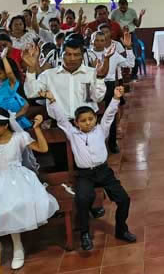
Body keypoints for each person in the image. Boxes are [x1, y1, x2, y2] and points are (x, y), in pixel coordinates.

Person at [45, 86, 136, 250]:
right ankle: (85, 234)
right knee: (82, 199)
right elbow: (61, 119)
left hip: (104, 172)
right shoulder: (73, 134)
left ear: (95, 119)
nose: (88, 123)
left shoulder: (101, 130)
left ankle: (122, 229)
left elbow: (108, 115)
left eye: (90, 119)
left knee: (124, 199)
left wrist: (116, 98)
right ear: (76, 123)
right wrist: (52, 101)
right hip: (85, 175)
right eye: (83, 121)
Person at [0, 108, 59, 269]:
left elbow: (43, 148)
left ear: (5, 125)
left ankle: (17, 247)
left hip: (16, 179)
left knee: (12, 207)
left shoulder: (19, 137)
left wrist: (37, 129)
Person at [23, 35, 108, 120]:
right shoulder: (49, 75)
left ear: (82, 56)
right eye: (68, 54)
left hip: (87, 123)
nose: (72, 58)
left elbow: (98, 98)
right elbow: (31, 93)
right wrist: (31, 68)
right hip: (59, 123)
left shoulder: (91, 73)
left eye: (76, 55)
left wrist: (100, 78)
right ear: (61, 56)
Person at [0, 53, 32, 130]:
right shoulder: (1, 83)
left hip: (12, 124)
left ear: (6, 72)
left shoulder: (11, 83)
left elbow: (9, 73)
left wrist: (3, 58)